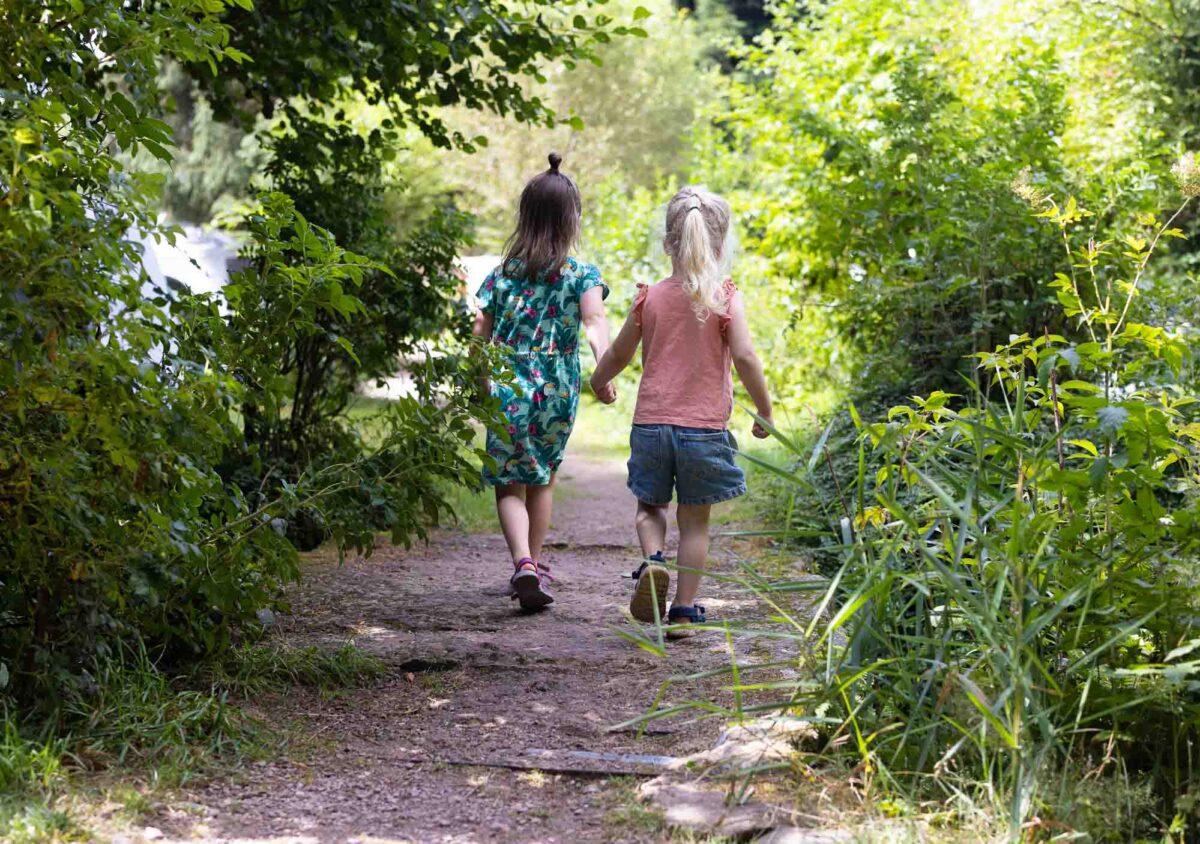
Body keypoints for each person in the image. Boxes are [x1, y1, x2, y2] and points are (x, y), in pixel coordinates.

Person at [590, 186, 773, 637]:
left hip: (652, 425)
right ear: (720, 243)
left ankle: (653, 561)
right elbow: (747, 357)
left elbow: (618, 353)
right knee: (695, 521)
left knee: (650, 508)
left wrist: (597, 381)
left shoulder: (648, 298)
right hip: (704, 430)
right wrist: (764, 410)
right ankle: (685, 611)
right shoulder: (725, 297)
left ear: (669, 242)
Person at [473, 153, 615, 611]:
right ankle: (535, 562)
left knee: (509, 484)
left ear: (526, 215)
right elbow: (595, 322)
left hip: (507, 384)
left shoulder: (501, 275)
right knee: (544, 478)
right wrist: (603, 370)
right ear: (572, 218)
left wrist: (480, 384)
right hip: (558, 385)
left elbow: (480, 337)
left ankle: (524, 563)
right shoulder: (583, 274)